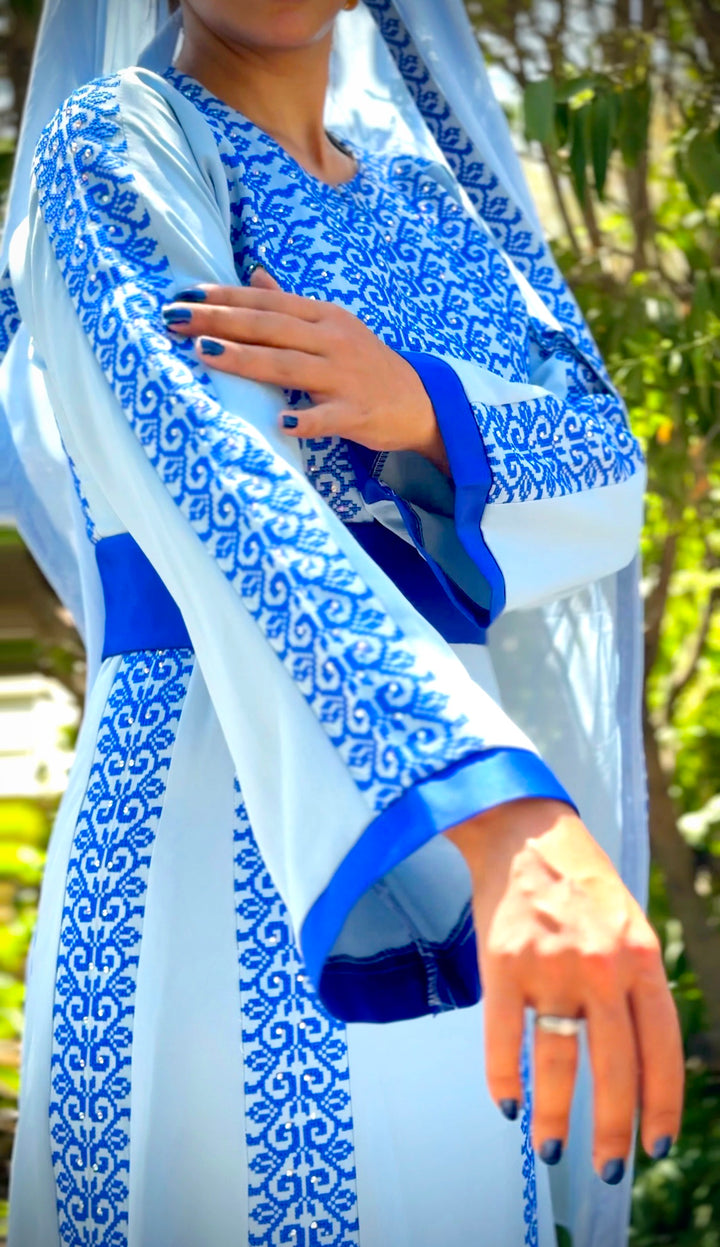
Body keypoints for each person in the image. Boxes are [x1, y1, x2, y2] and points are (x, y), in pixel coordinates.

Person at [0, 1, 684, 1244]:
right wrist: (495, 809)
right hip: (219, 797)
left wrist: (421, 405)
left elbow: (607, 470)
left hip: (458, 808)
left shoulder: (429, 205)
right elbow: (217, 477)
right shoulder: (121, 140)